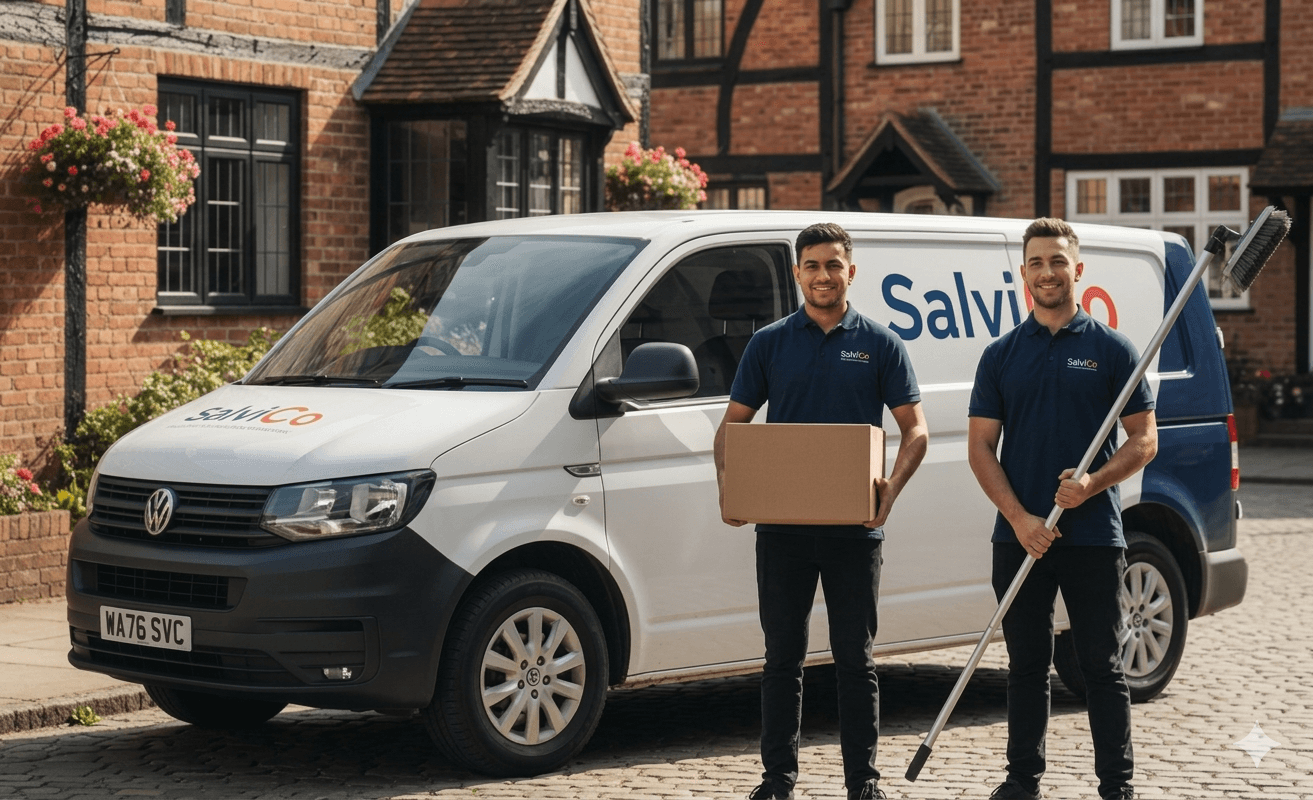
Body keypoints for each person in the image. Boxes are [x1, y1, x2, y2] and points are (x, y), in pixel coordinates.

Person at [714, 222, 929, 800]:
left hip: (854, 531)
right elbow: (731, 427)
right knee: (781, 658)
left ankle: (863, 782)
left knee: (855, 661)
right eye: (812, 265)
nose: (823, 276)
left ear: (850, 272)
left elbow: (916, 432)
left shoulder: (881, 344)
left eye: (833, 265)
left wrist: (890, 492)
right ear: (797, 274)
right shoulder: (769, 343)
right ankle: (777, 780)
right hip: (781, 531)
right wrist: (730, 490)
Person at [967, 217, 1158, 800]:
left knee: (1101, 664)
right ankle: (1022, 780)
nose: (1047, 272)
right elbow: (980, 448)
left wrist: (1093, 483)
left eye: (1057, 261)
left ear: (1078, 269)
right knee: (1025, 664)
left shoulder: (1111, 350)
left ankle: (1116, 786)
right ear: (1023, 273)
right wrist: (1020, 519)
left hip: (1094, 536)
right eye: (1036, 262)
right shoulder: (1001, 355)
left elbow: (1145, 440)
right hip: (1020, 536)